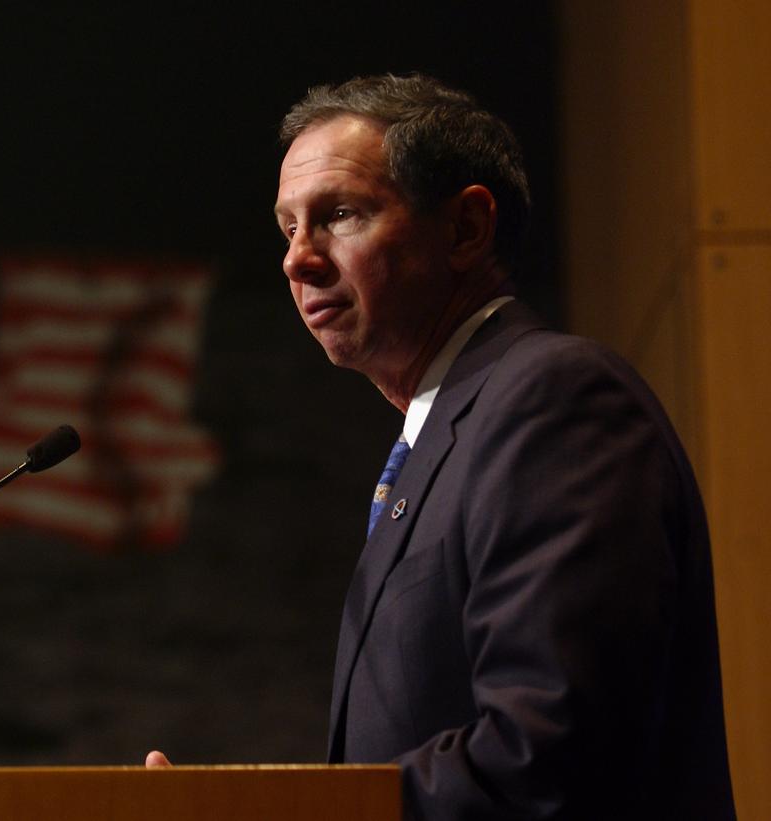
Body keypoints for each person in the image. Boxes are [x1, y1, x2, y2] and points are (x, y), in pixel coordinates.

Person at [150, 74, 735, 819]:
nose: (298, 260)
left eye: (339, 215)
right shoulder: (441, 437)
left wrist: (262, 809)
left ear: (464, 229)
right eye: (288, 228)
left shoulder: (553, 399)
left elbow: (545, 754)